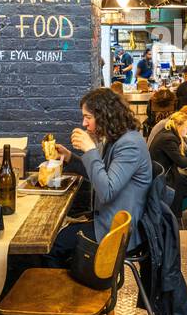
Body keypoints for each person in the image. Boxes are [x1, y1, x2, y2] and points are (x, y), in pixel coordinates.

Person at [50, 87, 154, 258]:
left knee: (52, 246)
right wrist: (69, 158)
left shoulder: (130, 145)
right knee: (58, 235)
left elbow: (106, 191)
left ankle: (74, 283)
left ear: (105, 115)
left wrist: (90, 149)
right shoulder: (117, 139)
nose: (84, 124)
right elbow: (100, 176)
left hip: (117, 232)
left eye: (88, 117)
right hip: (106, 220)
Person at [149, 109, 187, 213]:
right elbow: (182, 162)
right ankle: (173, 213)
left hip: (162, 174)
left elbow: (176, 156)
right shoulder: (169, 139)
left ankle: (174, 211)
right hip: (163, 179)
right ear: (179, 126)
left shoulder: (167, 133)